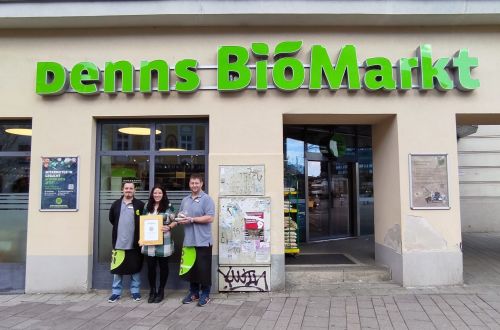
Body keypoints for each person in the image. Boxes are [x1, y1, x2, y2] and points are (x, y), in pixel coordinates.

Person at [177, 173, 215, 307]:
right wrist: (180, 218)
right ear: (189, 184)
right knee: (192, 269)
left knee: (204, 270)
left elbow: (210, 218)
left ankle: (205, 294)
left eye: (197, 183)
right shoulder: (185, 200)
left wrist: (192, 219)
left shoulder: (207, 199)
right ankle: (194, 293)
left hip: (203, 241)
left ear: (201, 184)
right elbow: (181, 215)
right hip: (189, 240)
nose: (194, 185)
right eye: (192, 183)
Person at [108, 182, 145, 303]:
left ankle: (135, 291)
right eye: (126, 188)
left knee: (135, 269)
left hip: (134, 244)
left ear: (135, 190)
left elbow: (143, 222)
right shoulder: (116, 204)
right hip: (119, 243)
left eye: (131, 188)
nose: (128, 190)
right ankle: (116, 292)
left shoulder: (140, 205)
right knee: (118, 270)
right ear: (122, 190)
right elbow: (112, 219)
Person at [140, 185, 177, 303]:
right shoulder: (147, 206)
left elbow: (176, 220)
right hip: (149, 242)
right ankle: (152, 291)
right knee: (150, 268)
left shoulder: (168, 206)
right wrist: (140, 238)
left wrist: (169, 227)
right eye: (155, 193)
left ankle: (161, 291)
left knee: (163, 267)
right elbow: (142, 222)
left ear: (163, 194)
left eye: (159, 193)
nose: (157, 195)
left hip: (164, 242)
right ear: (152, 194)